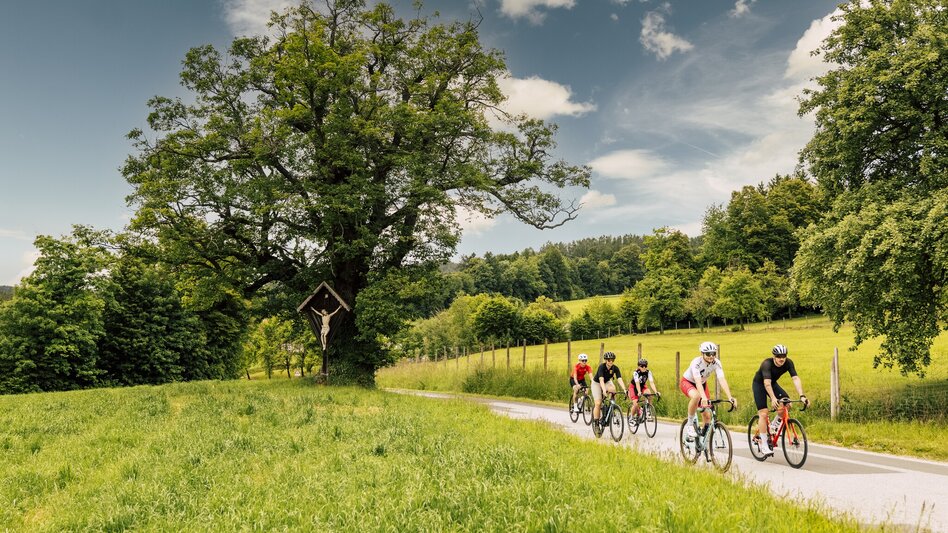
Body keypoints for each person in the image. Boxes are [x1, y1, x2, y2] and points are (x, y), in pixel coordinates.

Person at [752, 344, 810, 455]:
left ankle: (773, 425)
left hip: (772, 384)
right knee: (763, 414)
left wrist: (802, 395)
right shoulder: (767, 364)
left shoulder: (788, 362)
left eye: (784, 356)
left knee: (787, 405)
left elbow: (795, 378)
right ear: (774, 356)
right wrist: (773, 398)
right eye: (779, 356)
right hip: (760, 384)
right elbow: (766, 383)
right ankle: (764, 445)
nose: (781, 359)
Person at [679, 341, 736, 440]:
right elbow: (697, 382)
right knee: (696, 396)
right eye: (708, 354)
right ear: (702, 354)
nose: (711, 356)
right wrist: (704, 397)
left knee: (707, 415)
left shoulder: (716, 363)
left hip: (702, 384)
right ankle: (690, 424)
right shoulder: (696, 363)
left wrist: (730, 397)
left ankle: (703, 441)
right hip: (688, 382)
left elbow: (722, 379)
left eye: (713, 353)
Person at [592, 351, 629, 430]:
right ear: (606, 360)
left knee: (613, 390)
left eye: (612, 360)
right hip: (597, 383)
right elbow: (601, 380)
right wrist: (604, 390)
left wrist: (625, 389)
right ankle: (596, 423)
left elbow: (619, 379)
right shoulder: (601, 367)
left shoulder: (615, 368)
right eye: (609, 360)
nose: (611, 362)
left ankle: (611, 406)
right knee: (598, 403)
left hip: (607, 381)